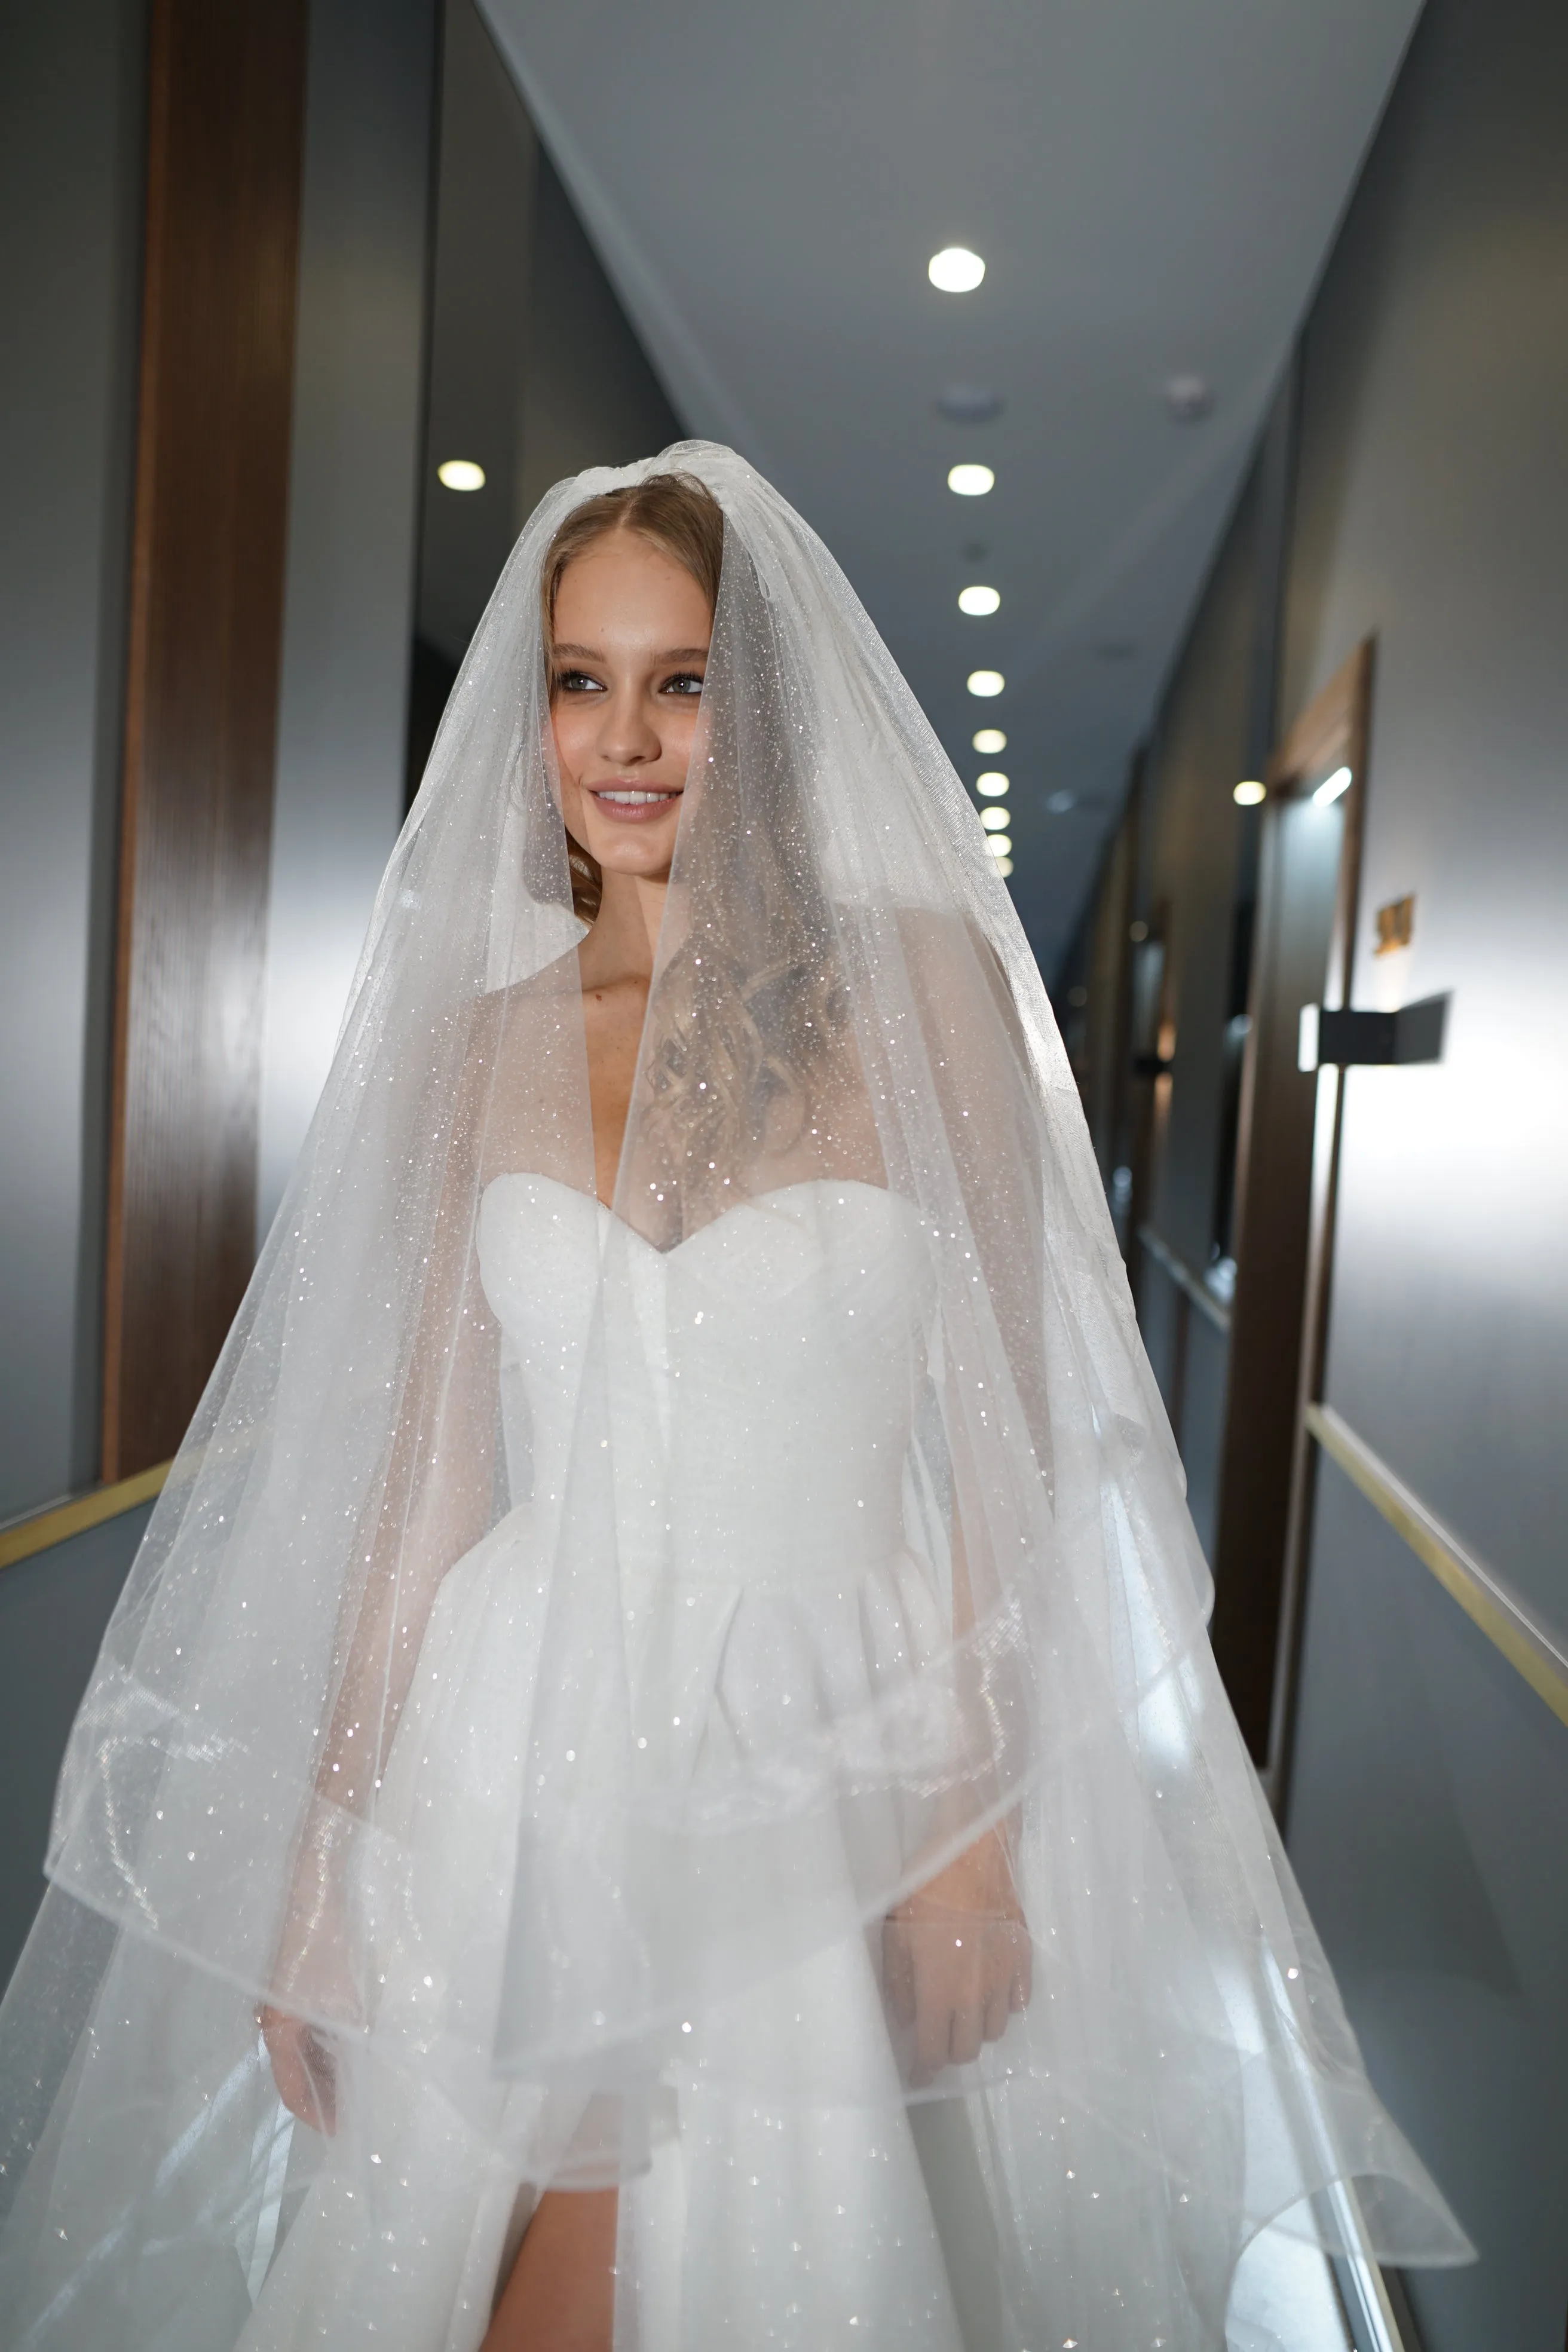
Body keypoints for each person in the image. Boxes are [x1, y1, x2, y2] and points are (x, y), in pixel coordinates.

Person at [0, 446, 1468, 2350]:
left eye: (682, 679)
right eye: (579, 678)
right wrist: (320, 1863)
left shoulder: (926, 994)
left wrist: (969, 1834)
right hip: (514, 1737)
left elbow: (1008, 1440)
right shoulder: (483, 1048)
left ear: (758, 707)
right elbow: (423, 1502)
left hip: (832, 1740)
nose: (628, 738)